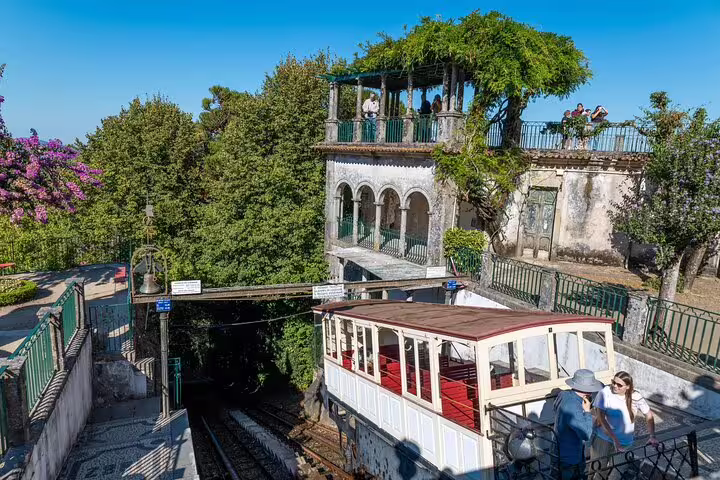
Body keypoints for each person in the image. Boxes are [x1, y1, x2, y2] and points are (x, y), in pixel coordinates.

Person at [590, 371, 658, 478]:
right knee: (597, 471)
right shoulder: (605, 392)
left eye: (619, 385)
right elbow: (601, 418)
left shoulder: (636, 396)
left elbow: (649, 415)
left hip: (624, 442)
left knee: (617, 474)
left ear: (627, 386)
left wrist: (652, 436)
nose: (615, 386)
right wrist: (614, 440)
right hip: (603, 439)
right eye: (613, 382)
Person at [554, 369, 604, 479]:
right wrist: (587, 412)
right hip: (570, 458)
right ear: (588, 392)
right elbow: (586, 434)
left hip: (559, 451)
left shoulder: (564, 394)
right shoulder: (574, 407)